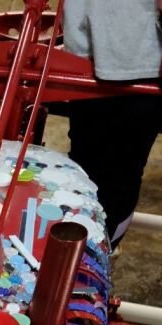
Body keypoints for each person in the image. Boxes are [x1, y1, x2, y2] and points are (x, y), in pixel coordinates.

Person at [65, 0, 162, 247]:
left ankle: (98, 255)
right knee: (85, 170)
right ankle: (82, 255)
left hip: (138, 58)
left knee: (115, 177)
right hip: (92, 48)